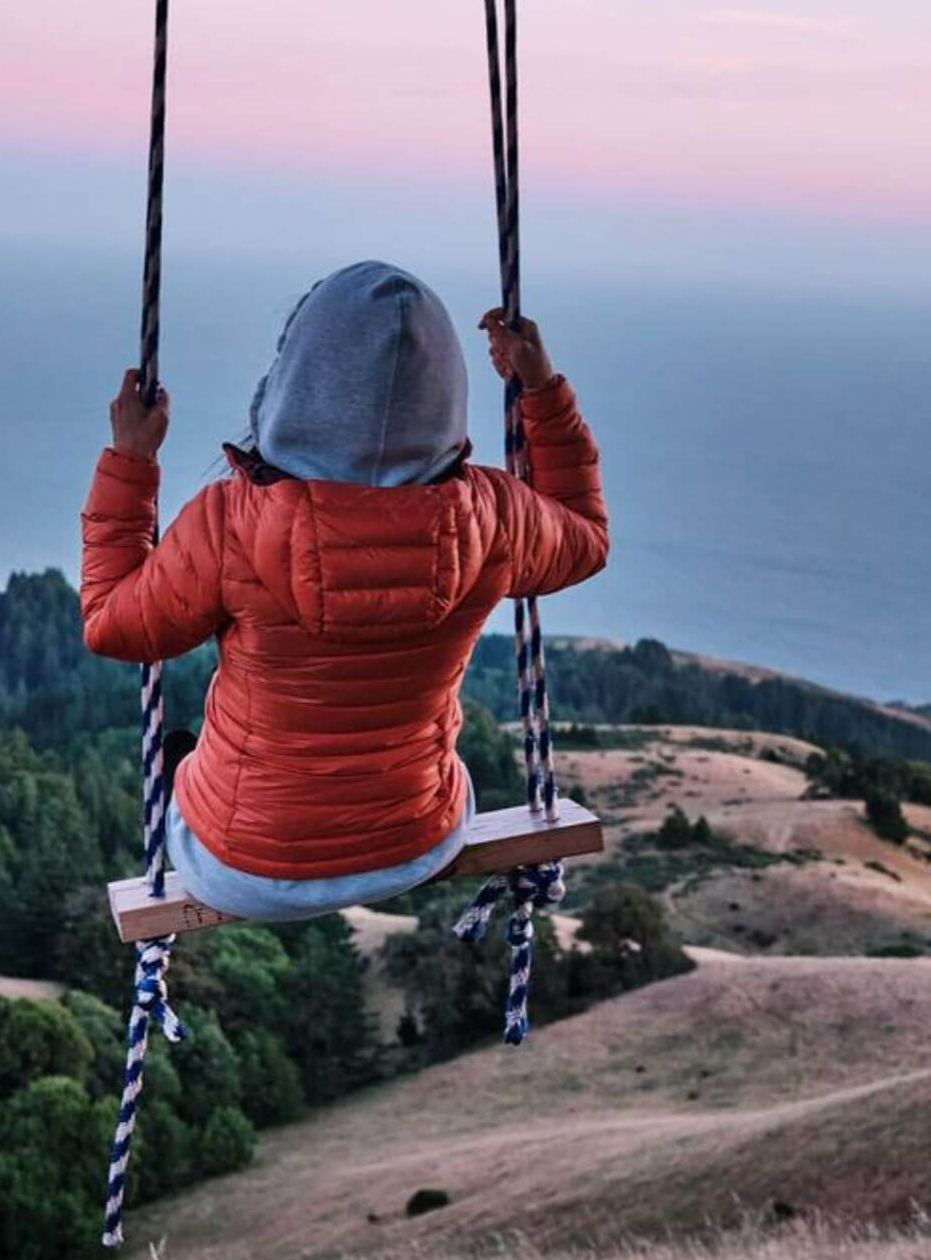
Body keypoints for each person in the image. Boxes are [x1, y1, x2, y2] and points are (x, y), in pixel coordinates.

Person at [81, 259, 607, 920]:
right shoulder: (497, 516)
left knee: (187, 760)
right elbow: (586, 534)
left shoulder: (230, 524)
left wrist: (131, 460)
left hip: (245, 867)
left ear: (295, 383)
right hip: (417, 844)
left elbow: (110, 624)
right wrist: (540, 389)